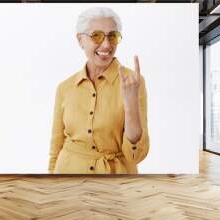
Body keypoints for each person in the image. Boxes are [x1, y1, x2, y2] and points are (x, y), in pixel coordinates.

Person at [48, 7, 149, 174]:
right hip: (68, 176)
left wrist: (131, 105)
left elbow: (135, 156)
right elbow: (56, 146)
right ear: (80, 40)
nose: (106, 44)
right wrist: (51, 182)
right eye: (97, 36)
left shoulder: (133, 82)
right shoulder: (64, 88)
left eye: (113, 36)